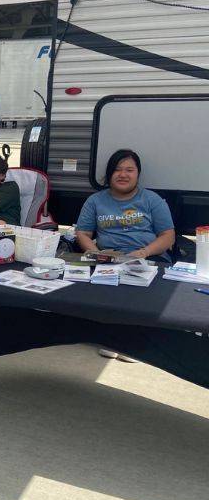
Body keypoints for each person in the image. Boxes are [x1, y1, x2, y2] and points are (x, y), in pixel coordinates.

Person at [76, 149, 176, 363]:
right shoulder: (95, 201)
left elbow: (168, 236)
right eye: (118, 170)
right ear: (110, 174)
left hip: (149, 260)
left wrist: (144, 252)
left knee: (139, 296)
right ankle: (113, 340)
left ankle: (134, 344)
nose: (123, 174)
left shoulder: (152, 200)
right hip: (110, 260)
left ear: (138, 173)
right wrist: (94, 252)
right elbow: (82, 233)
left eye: (129, 170)